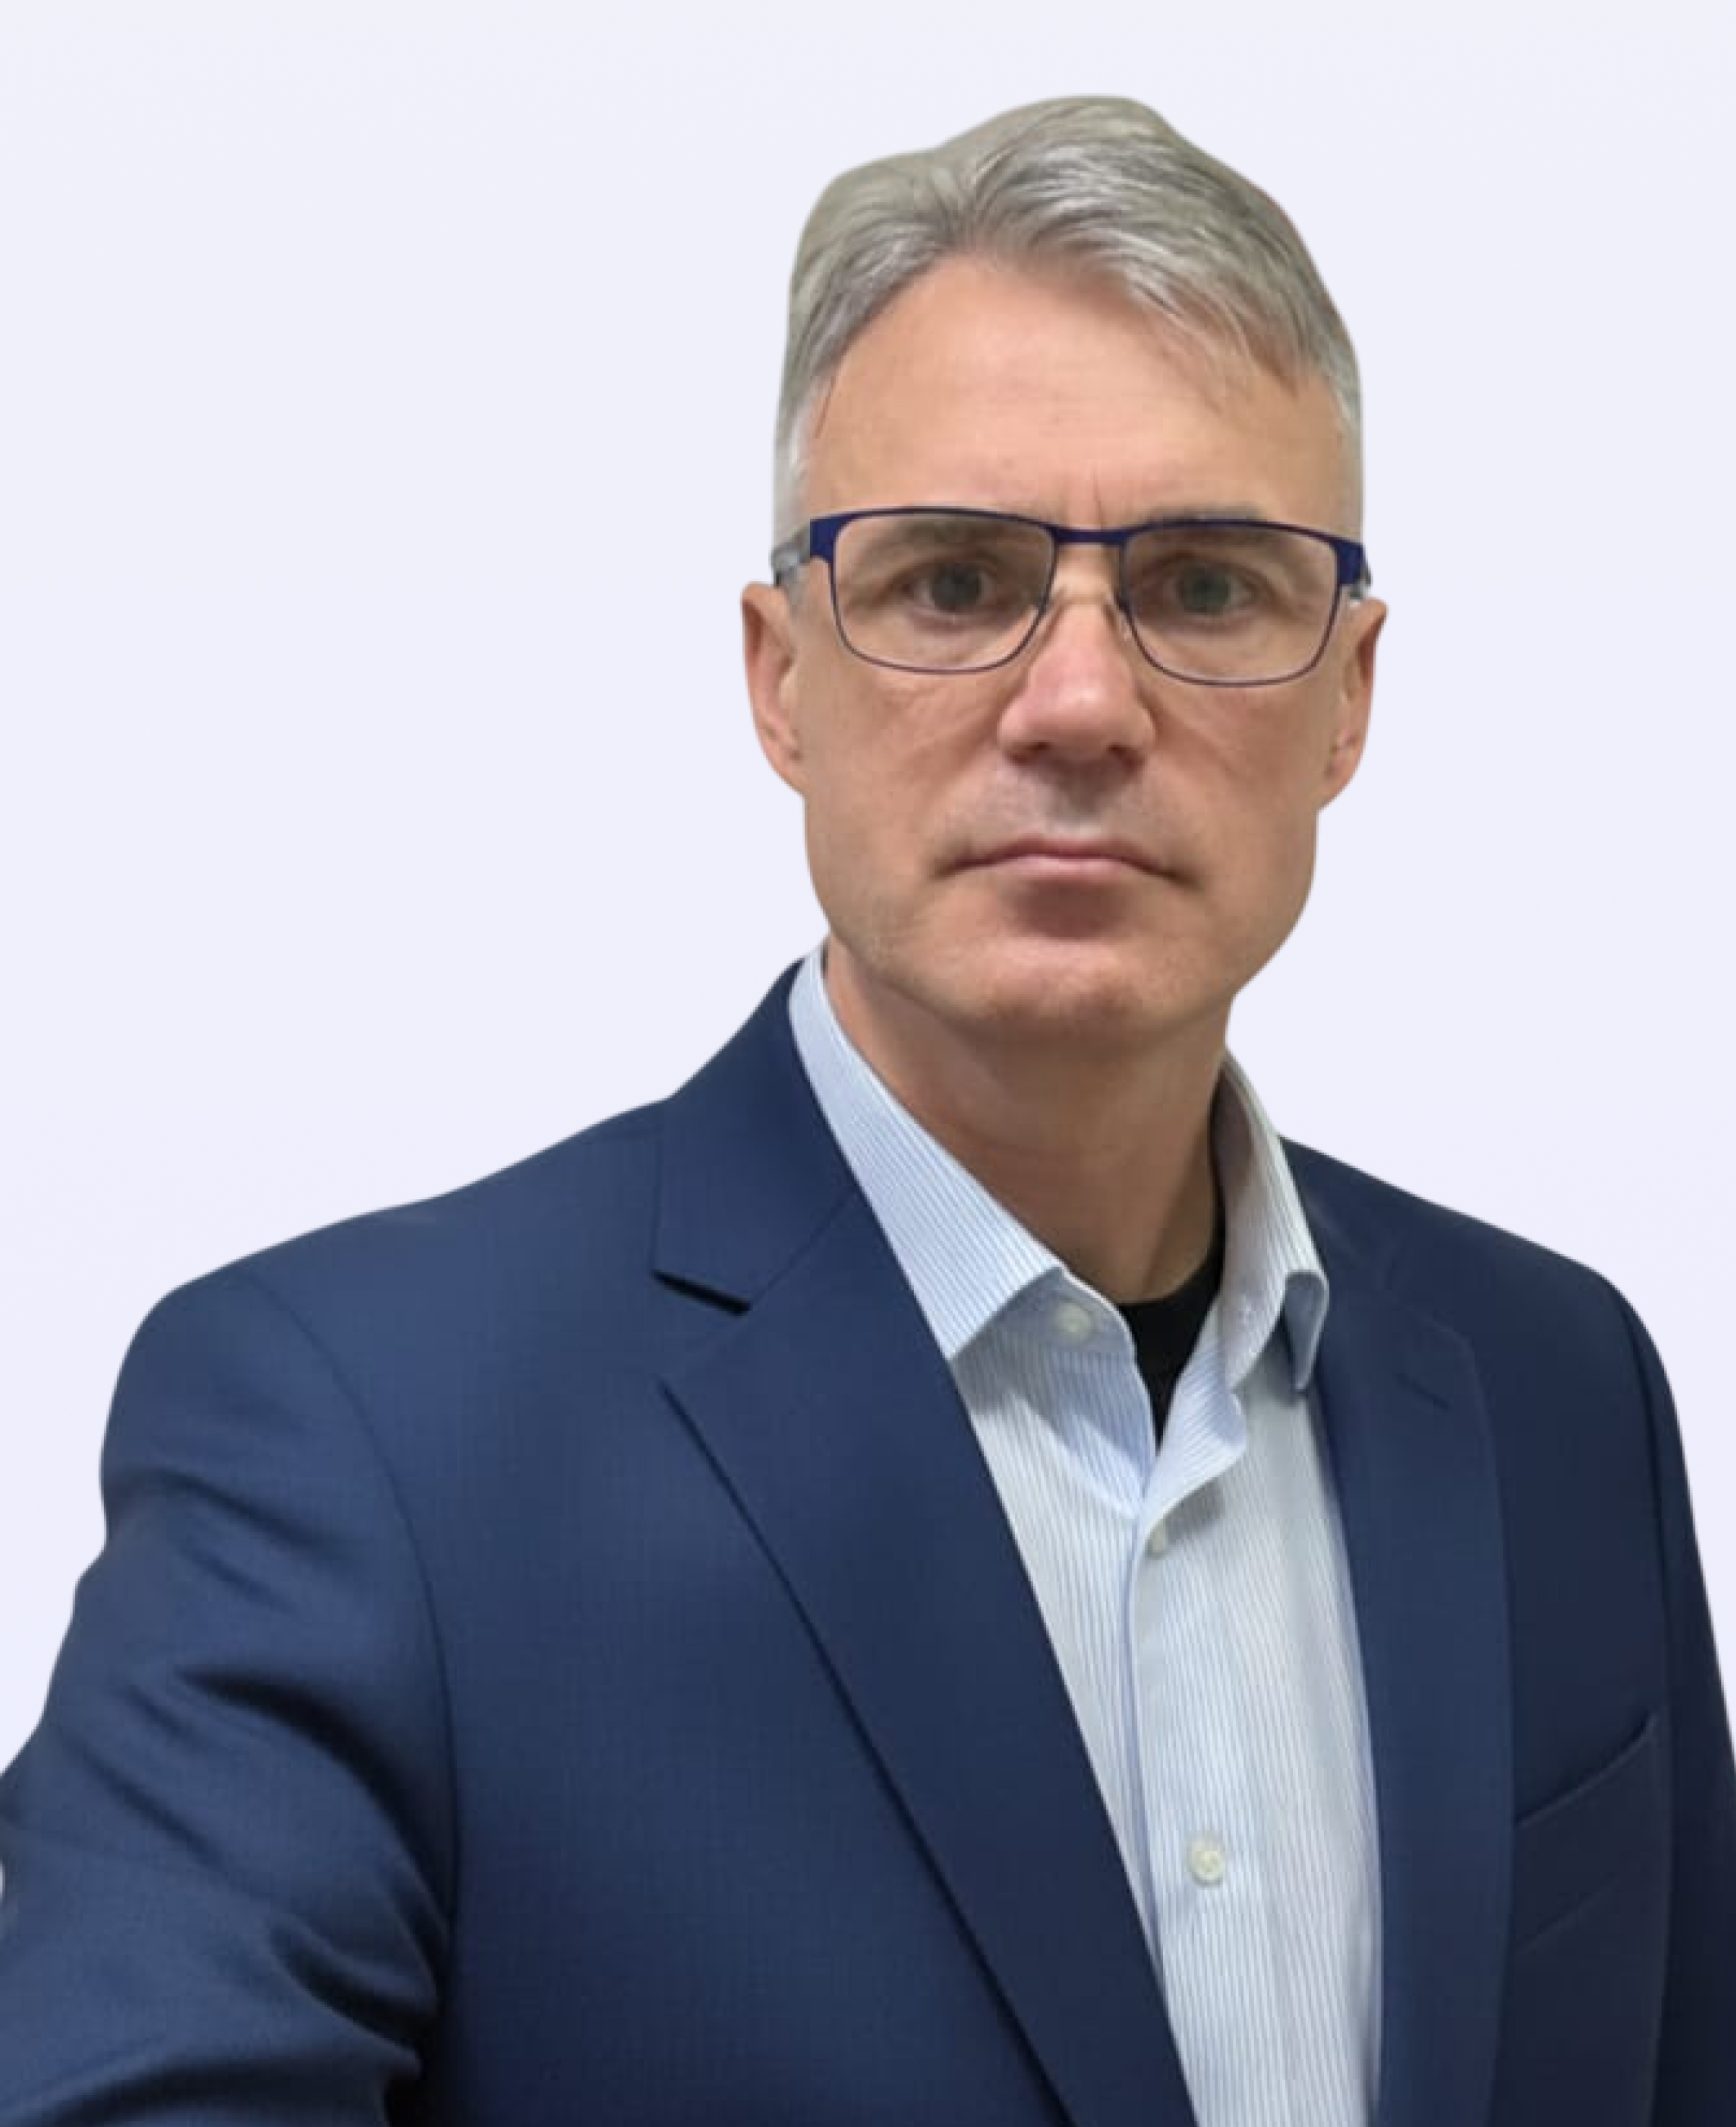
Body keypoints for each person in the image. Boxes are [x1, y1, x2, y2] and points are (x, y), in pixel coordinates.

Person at [2, 92, 1731, 2127]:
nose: (1079, 703)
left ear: (1349, 694)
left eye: (1205, 587)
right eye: (952, 580)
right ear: (780, 679)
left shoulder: (1560, 1393)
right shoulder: (353, 1434)